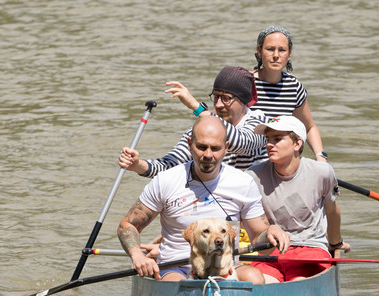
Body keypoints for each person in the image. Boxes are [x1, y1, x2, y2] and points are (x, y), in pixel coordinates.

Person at [117, 115, 290, 282]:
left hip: (224, 268)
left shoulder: (243, 183)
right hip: (177, 267)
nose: (208, 155)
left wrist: (271, 234)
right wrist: (138, 255)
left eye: (215, 148)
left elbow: (259, 237)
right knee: (179, 286)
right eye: (201, 147)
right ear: (189, 144)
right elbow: (128, 225)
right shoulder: (166, 180)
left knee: (254, 277)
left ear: (226, 147)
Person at [245, 116, 351, 283]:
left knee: (299, 281)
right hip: (273, 251)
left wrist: (335, 243)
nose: (269, 144)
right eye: (267, 139)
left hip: (311, 250)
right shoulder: (253, 176)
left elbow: (332, 211)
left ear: (297, 144)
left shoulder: (322, 172)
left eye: (278, 139)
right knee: (261, 283)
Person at [119, 66, 268, 177]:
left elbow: (244, 143)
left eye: (226, 98)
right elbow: (170, 165)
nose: (218, 104)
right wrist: (138, 165)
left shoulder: (260, 121)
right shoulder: (203, 128)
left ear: (243, 101)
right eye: (216, 97)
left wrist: (197, 108)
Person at [251, 25, 329, 163]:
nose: (276, 55)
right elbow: (220, 120)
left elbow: (309, 127)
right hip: (245, 165)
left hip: (279, 165)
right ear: (259, 51)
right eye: (270, 49)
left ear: (289, 54)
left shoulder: (293, 86)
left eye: (282, 50)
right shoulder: (244, 83)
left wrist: (320, 156)